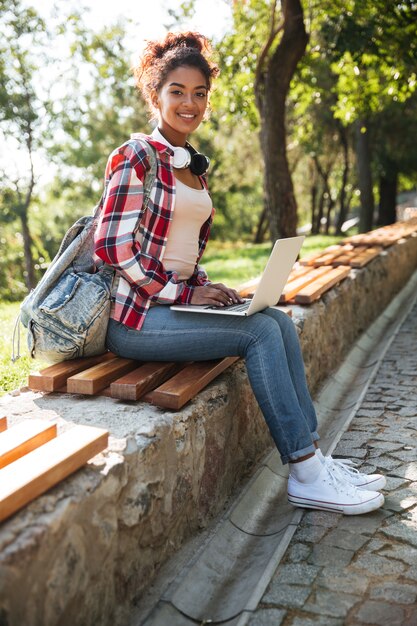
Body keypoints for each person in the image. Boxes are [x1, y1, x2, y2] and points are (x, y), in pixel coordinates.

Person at [94, 31, 386, 515]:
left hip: (169, 304)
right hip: (135, 319)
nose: (190, 103)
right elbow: (111, 246)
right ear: (155, 93)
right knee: (258, 334)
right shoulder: (136, 156)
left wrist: (201, 286)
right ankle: (305, 473)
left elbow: (175, 247)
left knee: (277, 322)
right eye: (178, 92)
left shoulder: (192, 167)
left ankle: (316, 458)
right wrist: (173, 290)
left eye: (200, 93)